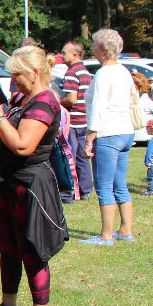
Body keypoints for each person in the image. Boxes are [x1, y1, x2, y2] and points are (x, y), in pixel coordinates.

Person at [0, 46, 69, 306]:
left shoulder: (45, 103)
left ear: (34, 73)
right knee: (8, 248)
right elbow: (5, 136)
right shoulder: (21, 98)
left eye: (18, 74)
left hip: (31, 185)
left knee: (32, 249)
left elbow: (22, 145)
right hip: (8, 182)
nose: (14, 79)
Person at [80, 29, 136, 245]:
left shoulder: (103, 74)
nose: (92, 48)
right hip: (125, 131)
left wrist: (89, 137)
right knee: (120, 183)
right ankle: (126, 230)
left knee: (104, 186)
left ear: (103, 49)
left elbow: (98, 107)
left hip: (108, 133)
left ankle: (105, 236)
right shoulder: (124, 71)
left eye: (94, 45)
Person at [59, 40, 94, 201]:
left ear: (74, 55)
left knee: (69, 156)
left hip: (73, 121)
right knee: (81, 156)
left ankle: (69, 190)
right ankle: (85, 190)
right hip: (84, 120)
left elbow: (71, 99)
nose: (61, 55)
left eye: (64, 52)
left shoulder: (72, 72)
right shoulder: (85, 72)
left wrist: (58, 101)